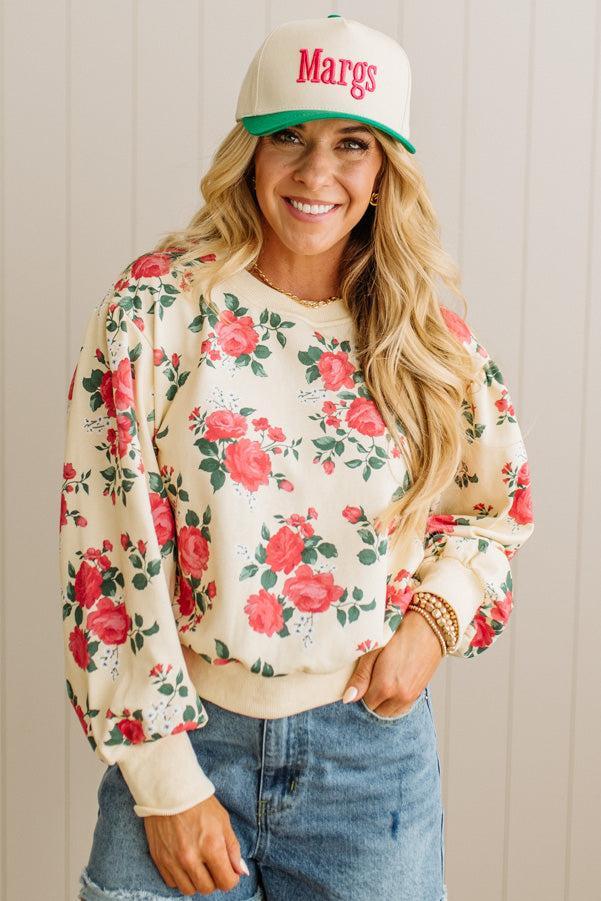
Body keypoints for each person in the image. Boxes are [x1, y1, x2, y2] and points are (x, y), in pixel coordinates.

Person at [58, 13, 534, 901]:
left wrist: (433, 619)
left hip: (370, 772)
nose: (318, 174)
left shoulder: (424, 334)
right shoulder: (158, 309)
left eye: (352, 144)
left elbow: (492, 509)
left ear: (386, 169)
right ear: (250, 152)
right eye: (290, 138)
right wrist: (165, 784)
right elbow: (106, 550)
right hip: (186, 743)